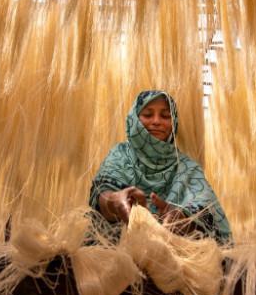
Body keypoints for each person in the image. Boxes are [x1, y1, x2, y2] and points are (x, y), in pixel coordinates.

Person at [88, 90, 232, 245]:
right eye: (148, 115)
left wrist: (181, 221)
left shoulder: (187, 168)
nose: (156, 121)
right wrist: (117, 201)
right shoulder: (120, 154)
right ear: (134, 119)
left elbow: (206, 212)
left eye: (165, 116)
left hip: (176, 253)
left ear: (174, 122)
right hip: (116, 247)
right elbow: (102, 193)